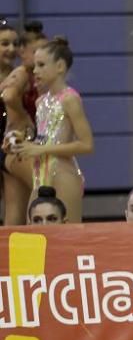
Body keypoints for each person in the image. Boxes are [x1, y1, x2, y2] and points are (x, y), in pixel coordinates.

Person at [11, 37, 93, 223]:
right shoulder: (41, 101)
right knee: (34, 235)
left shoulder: (70, 99)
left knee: (69, 236)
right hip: (40, 173)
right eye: (34, 66)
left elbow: (86, 144)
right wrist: (25, 143)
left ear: (60, 67)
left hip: (63, 173)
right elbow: (45, 138)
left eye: (41, 65)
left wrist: (40, 149)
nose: (35, 71)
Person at [1, 20, 45, 225]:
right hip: (14, 144)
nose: (11, 49)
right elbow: (9, 97)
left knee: (15, 210)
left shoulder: (28, 73)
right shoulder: (20, 74)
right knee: (43, 190)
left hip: (14, 144)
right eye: (4, 44)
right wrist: (25, 117)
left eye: (14, 43)